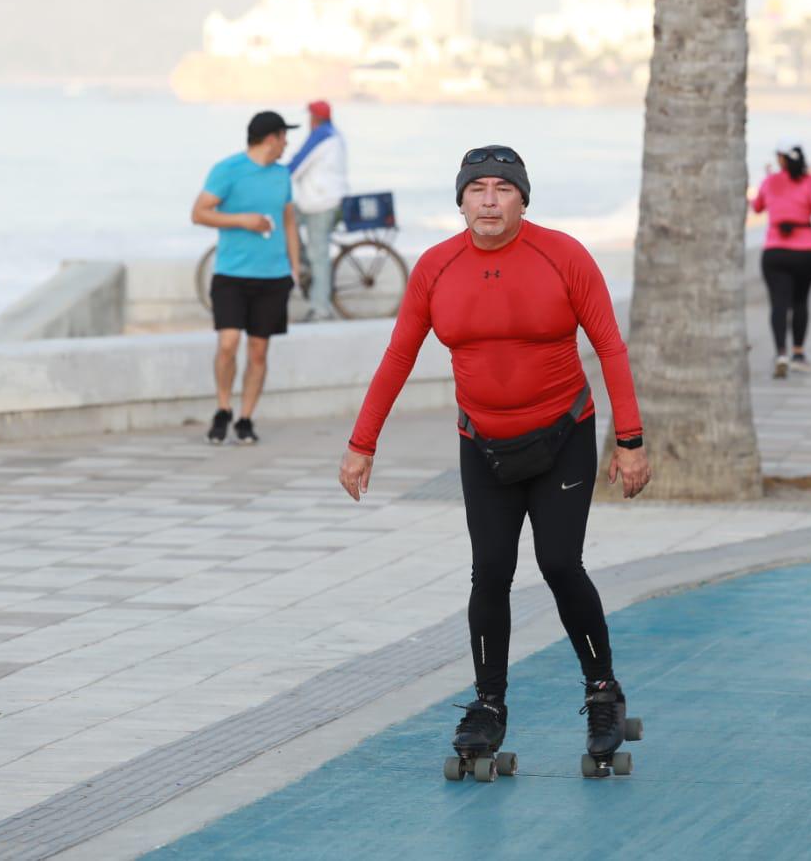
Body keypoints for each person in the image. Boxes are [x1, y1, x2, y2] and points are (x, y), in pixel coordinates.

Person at [337, 145, 651, 776]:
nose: (488, 199)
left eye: (502, 189)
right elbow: (398, 356)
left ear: (522, 198)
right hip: (482, 444)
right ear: (460, 200)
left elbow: (610, 348)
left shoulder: (562, 256)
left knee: (560, 562)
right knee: (490, 573)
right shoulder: (434, 268)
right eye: (476, 188)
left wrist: (631, 440)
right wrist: (362, 443)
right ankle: (488, 705)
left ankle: (602, 693)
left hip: (563, 434)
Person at [191, 111, 303, 445]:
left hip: (273, 277)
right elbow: (199, 213)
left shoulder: (282, 175)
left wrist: (294, 269)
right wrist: (243, 221)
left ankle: (245, 418)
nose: (287, 143)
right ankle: (223, 408)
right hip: (231, 275)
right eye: (285, 137)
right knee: (228, 344)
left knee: (258, 352)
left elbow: (289, 222)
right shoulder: (228, 170)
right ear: (272, 138)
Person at [750, 141, 811, 378]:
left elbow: (756, 206)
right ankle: (799, 354)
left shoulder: (770, 180)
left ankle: (781, 353)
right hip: (806, 251)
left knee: (779, 304)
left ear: (781, 159)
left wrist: (769, 181)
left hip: (776, 251)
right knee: (801, 302)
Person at [286, 100, 350, 322]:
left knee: (318, 255)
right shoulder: (334, 134)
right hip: (324, 200)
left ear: (313, 118)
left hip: (321, 204)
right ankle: (302, 264)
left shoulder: (321, 135)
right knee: (286, 219)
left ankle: (321, 309)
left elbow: (296, 164)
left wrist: (273, 179)